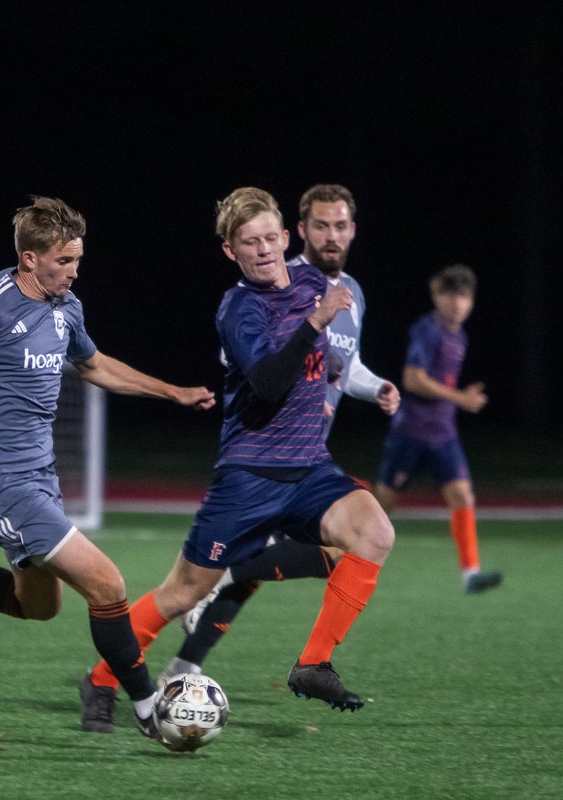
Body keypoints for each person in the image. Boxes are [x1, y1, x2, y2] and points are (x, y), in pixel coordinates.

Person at [0, 196, 216, 742]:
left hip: (40, 478)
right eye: (63, 262)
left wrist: (172, 392)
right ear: (29, 259)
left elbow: (94, 364)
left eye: (77, 260)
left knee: (38, 607)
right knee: (108, 584)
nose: (74, 272)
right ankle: (151, 712)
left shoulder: (66, 307)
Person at [81, 187, 395, 735]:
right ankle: (103, 679)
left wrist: (342, 375)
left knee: (374, 533)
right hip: (249, 475)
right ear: (232, 251)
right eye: (251, 242)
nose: (265, 249)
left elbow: (332, 358)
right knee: (184, 591)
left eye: (271, 237)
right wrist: (316, 325)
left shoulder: (314, 284)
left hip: (308, 467)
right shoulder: (239, 307)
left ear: (285, 236)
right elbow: (269, 383)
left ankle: (313, 664)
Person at [163, 184, 401, 681]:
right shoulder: (276, 288)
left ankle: (186, 664)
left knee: (344, 548)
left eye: (340, 226)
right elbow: (257, 367)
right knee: (279, 564)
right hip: (266, 449)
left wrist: (375, 385)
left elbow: (344, 365)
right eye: (321, 225)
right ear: (301, 230)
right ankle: (166, 664)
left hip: (309, 452)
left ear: (353, 230)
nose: (331, 236)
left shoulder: (349, 293)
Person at [373, 264, 502, 594]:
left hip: (444, 434)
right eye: (451, 295)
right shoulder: (427, 330)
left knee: (462, 495)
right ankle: (338, 556)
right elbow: (412, 379)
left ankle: (470, 573)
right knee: (382, 503)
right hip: (411, 432)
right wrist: (460, 397)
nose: (458, 303)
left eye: (464, 296)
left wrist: (457, 400)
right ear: (437, 296)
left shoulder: (460, 335)